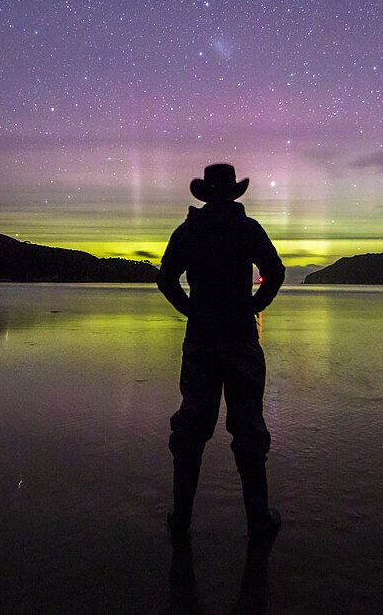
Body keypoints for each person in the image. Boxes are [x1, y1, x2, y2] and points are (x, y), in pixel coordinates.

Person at [157, 163, 285, 543]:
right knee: (247, 428)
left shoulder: (189, 230)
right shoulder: (246, 228)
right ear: (232, 193)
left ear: (205, 193)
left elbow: (166, 279)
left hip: (200, 340)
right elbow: (275, 272)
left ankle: (181, 520)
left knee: (190, 429)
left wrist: (192, 311)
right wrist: (251, 307)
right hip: (240, 340)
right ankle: (258, 521)